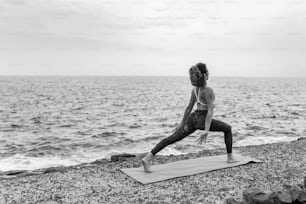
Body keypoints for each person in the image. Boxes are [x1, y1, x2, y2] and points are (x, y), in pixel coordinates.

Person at [141, 63, 238, 173]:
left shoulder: (195, 90)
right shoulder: (208, 91)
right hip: (202, 119)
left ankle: (148, 158)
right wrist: (206, 130)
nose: (209, 74)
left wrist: (182, 123)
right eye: (208, 72)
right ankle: (230, 158)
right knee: (228, 128)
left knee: (172, 138)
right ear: (205, 74)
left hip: (193, 118)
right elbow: (210, 112)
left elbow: (188, 108)